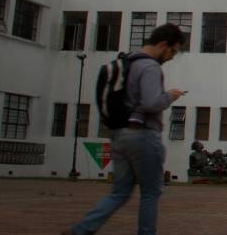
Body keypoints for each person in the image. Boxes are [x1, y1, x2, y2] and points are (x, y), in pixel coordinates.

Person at [63, 23, 187, 235]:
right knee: (150, 192)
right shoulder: (150, 67)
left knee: (119, 192)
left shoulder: (127, 62)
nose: (171, 57)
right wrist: (170, 96)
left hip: (121, 134)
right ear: (163, 44)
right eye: (172, 51)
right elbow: (150, 103)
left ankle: (81, 230)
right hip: (143, 136)